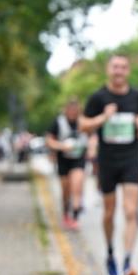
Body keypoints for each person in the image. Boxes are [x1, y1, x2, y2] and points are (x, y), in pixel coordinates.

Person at [80, 54, 138, 275]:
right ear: (109, 70)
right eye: (115, 67)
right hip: (107, 160)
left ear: (128, 71)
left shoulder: (136, 96)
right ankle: (110, 253)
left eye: (123, 67)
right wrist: (102, 117)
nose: (119, 71)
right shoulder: (98, 97)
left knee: (130, 211)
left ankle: (128, 260)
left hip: (131, 158)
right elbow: (83, 125)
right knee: (109, 212)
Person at [45, 98, 89, 230]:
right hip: (63, 160)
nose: (73, 112)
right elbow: (49, 140)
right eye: (70, 109)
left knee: (76, 185)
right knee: (66, 190)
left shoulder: (84, 121)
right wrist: (61, 146)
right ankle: (66, 212)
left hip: (78, 159)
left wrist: (92, 146)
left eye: (75, 109)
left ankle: (75, 216)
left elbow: (92, 136)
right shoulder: (59, 122)